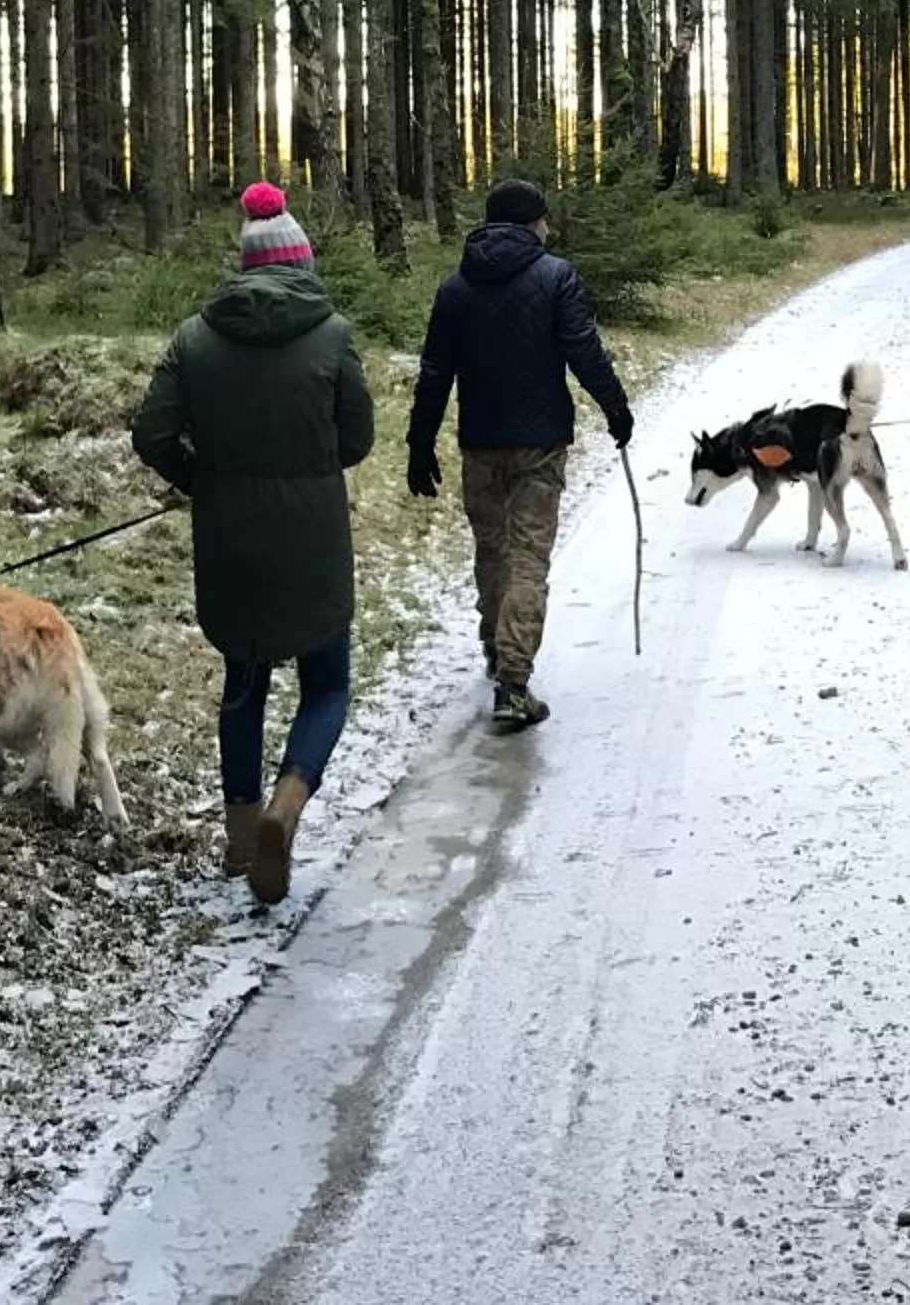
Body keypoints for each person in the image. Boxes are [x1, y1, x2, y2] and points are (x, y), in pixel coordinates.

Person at [135, 183, 375, 904]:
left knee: (242, 685)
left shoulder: (194, 338)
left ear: (244, 266)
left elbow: (151, 434)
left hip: (228, 537)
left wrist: (199, 477)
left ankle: (242, 840)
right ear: (299, 262)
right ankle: (288, 804)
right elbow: (358, 440)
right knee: (326, 681)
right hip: (315, 538)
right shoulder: (331, 334)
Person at [406, 178, 634, 731]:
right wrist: (616, 408)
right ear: (533, 222)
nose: (549, 228)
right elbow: (583, 348)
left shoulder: (456, 287)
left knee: (493, 549)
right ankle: (513, 681)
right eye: (545, 219)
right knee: (528, 556)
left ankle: (495, 643)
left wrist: (420, 441)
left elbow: (435, 372)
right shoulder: (556, 276)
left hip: (479, 442)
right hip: (540, 442)